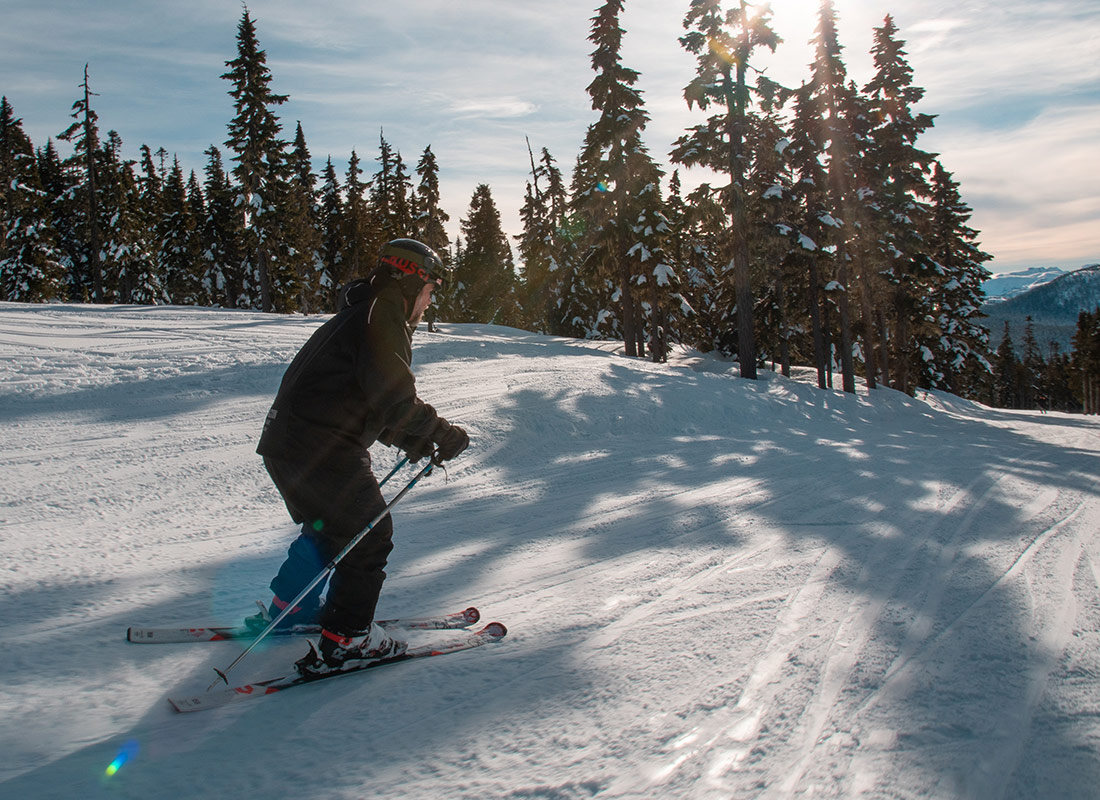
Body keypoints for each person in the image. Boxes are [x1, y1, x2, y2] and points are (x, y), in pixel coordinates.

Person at [251, 238, 469, 675]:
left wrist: (413, 441)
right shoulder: (384, 313)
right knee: (369, 535)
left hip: (288, 444)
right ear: (412, 281)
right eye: (430, 290)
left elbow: (364, 400)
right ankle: (348, 640)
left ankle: (288, 608)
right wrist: (444, 433)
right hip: (320, 446)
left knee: (332, 528)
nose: (429, 302)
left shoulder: (363, 313)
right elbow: (394, 399)